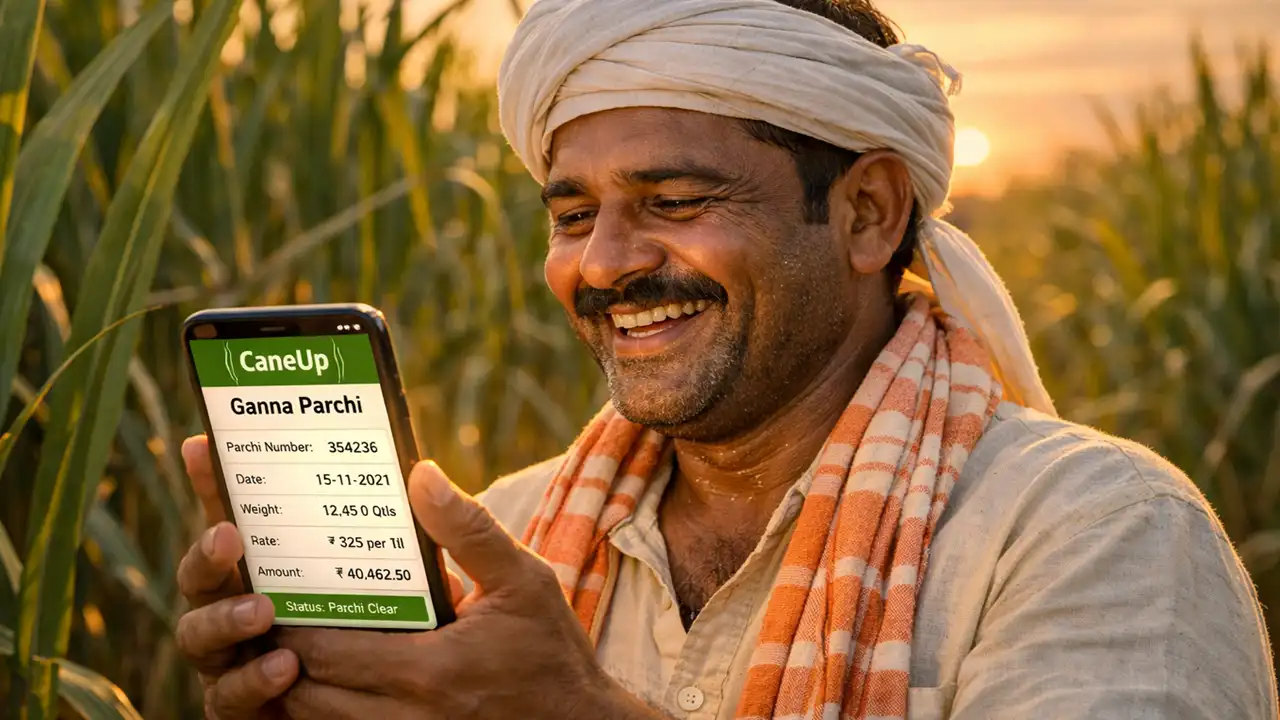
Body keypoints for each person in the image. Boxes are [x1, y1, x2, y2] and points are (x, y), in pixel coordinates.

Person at [173, 0, 1279, 717]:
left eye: (675, 201)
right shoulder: (495, 549)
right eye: (570, 216)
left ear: (864, 214)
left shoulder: (1091, 530)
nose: (602, 265)